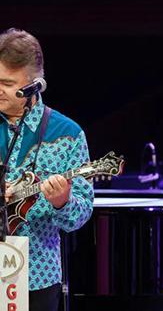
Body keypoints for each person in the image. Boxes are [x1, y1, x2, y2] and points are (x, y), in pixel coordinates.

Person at [0, 28, 94, 311]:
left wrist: (62, 202)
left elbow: (81, 215)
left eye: (7, 83)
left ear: (32, 86)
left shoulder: (68, 134)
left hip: (37, 278)